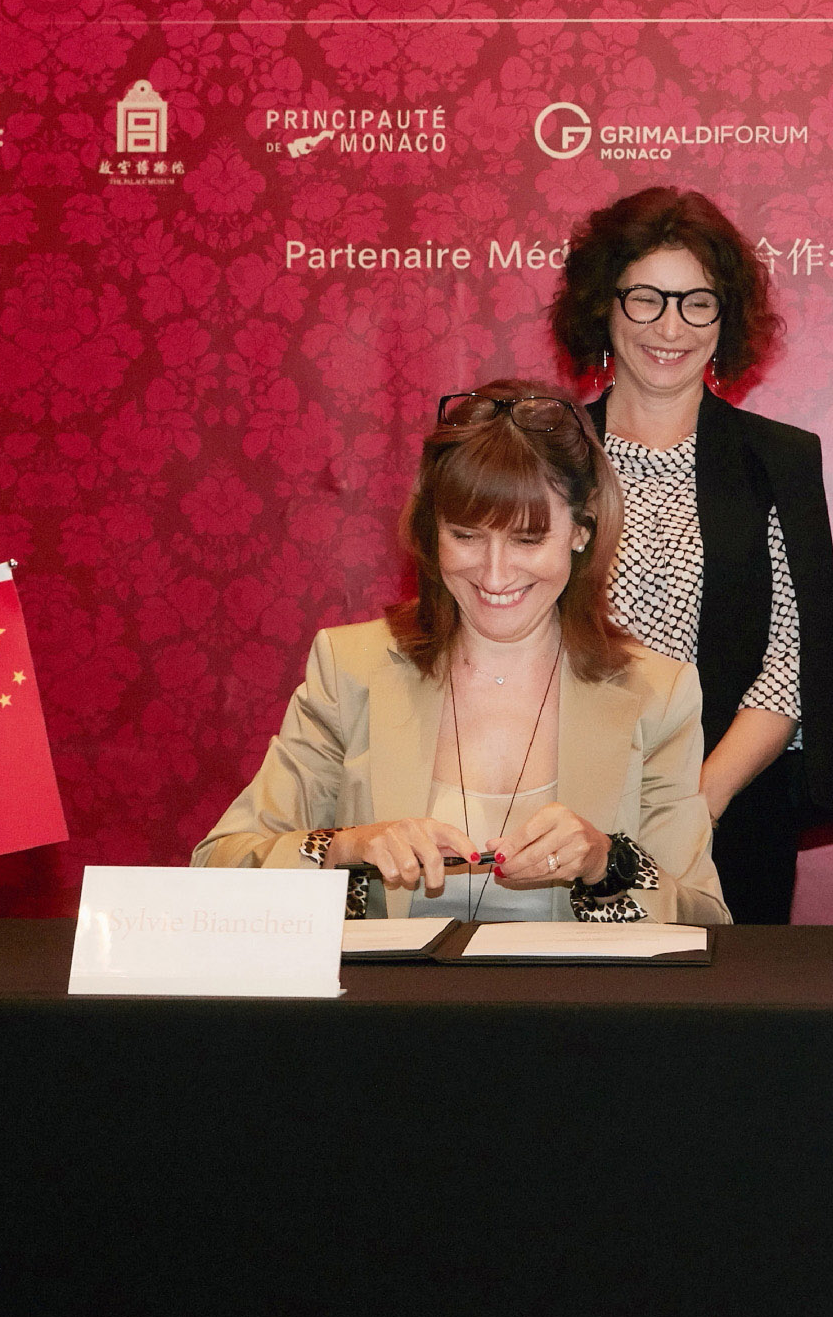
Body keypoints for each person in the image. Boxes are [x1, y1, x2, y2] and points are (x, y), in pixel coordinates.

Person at [194, 379, 729, 926]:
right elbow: (217, 867)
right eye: (467, 536)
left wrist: (605, 864)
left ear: (581, 530)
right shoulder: (350, 668)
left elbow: (705, 920)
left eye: (526, 540)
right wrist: (347, 847)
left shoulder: (657, 695)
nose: (494, 575)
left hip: (573, 987)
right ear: (433, 531)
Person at [548, 187, 833, 925]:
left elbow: (789, 667)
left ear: (726, 317)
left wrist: (693, 804)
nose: (670, 326)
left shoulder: (778, 461)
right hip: (553, 816)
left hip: (728, 818)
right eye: (646, 298)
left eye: (697, 303)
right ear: (604, 306)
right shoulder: (547, 456)